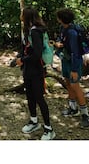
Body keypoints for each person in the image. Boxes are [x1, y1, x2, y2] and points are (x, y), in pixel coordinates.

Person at [15, 7, 55, 140]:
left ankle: (49, 129)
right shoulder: (27, 30)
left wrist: (22, 59)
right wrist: (19, 57)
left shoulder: (36, 31)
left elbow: (37, 54)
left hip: (37, 69)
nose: (20, 16)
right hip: (28, 68)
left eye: (22, 14)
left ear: (27, 16)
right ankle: (34, 121)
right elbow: (26, 48)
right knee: (30, 95)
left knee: (39, 97)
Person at [55, 8, 89, 128]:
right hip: (65, 60)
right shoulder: (63, 28)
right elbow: (62, 41)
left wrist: (75, 70)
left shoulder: (72, 32)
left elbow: (75, 52)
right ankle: (73, 108)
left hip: (73, 63)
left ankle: (85, 115)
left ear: (61, 19)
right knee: (68, 83)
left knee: (75, 86)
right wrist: (58, 44)